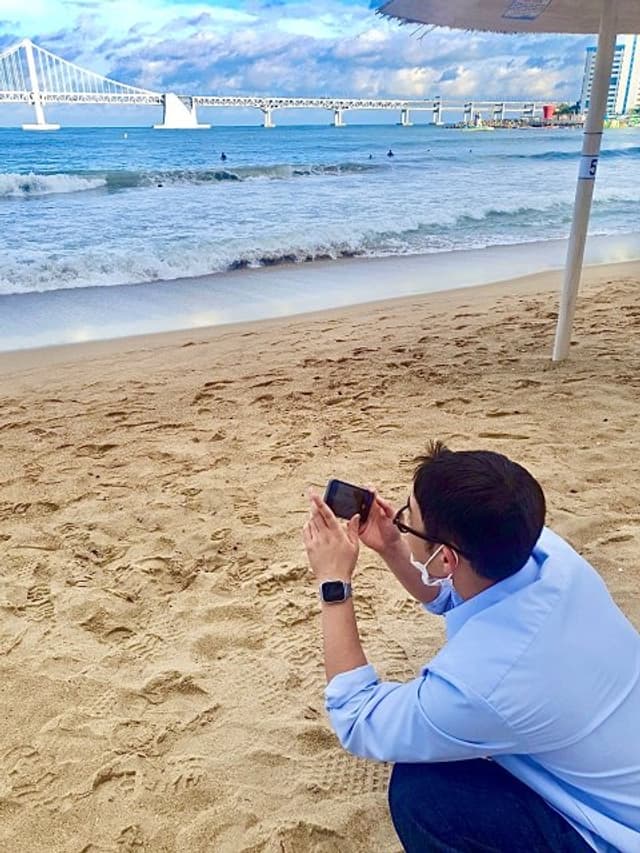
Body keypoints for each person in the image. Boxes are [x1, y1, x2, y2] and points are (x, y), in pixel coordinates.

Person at [302, 442, 640, 852]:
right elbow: (452, 593)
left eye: (408, 519)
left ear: (446, 558)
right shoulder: (547, 554)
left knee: (422, 795)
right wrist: (393, 545)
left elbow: (356, 718)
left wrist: (333, 583)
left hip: (620, 832)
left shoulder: (480, 683)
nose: (400, 520)